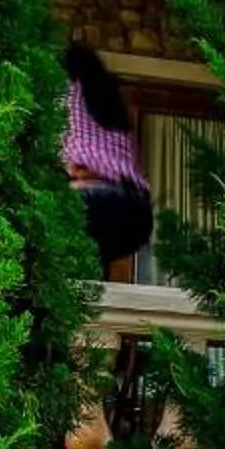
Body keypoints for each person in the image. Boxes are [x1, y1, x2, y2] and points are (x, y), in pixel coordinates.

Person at [60, 41, 153, 276]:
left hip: (96, 199)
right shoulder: (111, 100)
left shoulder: (67, 89)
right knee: (95, 258)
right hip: (136, 211)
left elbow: (74, 162)